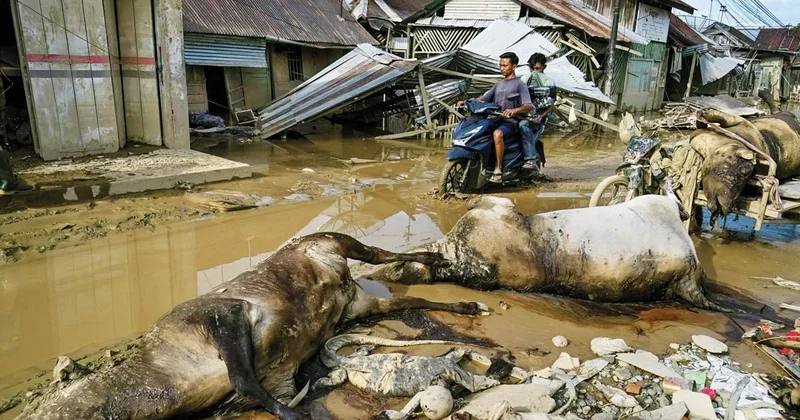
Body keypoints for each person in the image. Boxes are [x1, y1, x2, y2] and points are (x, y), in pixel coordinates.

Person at [459, 52, 532, 183]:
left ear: (514, 66)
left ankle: (498, 169)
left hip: (511, 122)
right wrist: (467, 102)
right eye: (500, 65)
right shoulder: (499, 84)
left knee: (497, 134)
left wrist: (514, 110)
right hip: (495, 119)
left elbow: (528, 105)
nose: (502, 68)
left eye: (505, 65)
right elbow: (483, 98)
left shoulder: (520, 84)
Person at [519, 53, 556, 171]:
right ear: (529, 67)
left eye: (538, 68)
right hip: (520, 114)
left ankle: (530, 159)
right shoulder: (523, 79)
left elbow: (551, 104)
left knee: (523, 126)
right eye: (533, 68)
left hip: (536, 118)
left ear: (544, 67)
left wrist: (541, 116)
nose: (535, 71)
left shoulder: (549, 82)